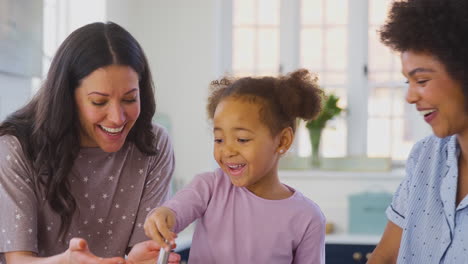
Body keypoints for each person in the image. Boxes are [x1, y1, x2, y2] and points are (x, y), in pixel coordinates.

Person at [0, 22, 180, 264]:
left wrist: (139, 260)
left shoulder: (153, 145)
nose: (117, 117)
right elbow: (17, 261)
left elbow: (143, 252)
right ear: (67, 98)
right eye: (99, 102)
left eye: (129, 99)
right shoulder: (16, 148)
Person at [144, 69, 326, 263]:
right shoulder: (209, 188)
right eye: (219, 139)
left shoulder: (308, 218)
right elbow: (175, 211)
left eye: (242, 139)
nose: (227, 151)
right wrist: (163, 216)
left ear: (282, 141)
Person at [368, 0, 468, 263]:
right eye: (407, 81)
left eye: (421, 80)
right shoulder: (426, 156)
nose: (410, 97)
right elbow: (385, 257)